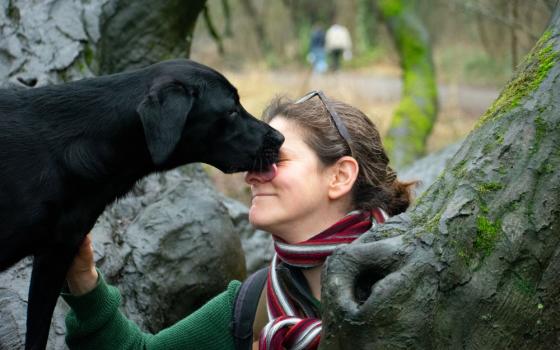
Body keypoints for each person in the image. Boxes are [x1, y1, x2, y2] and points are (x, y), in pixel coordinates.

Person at [63, 90, 414, 349]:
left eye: (274, 158)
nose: (251, 174)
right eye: (254, 159)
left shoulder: (418, 283)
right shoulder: (250, 306)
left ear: (339, 176)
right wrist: (82, 280)